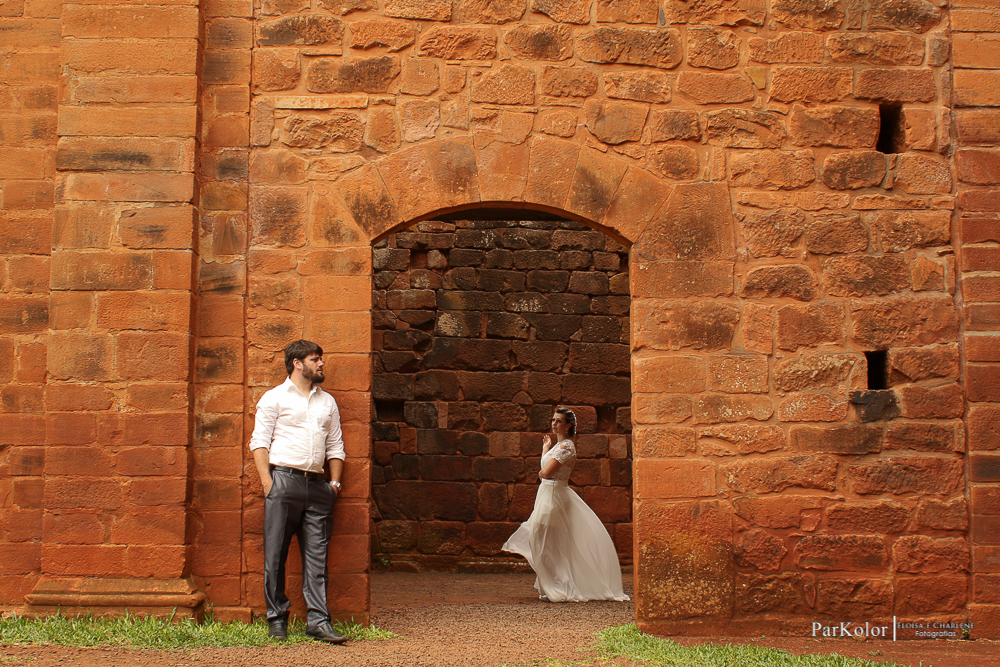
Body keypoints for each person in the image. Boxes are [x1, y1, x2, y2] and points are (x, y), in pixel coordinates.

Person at [249, 339, 347, 644]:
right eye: (315, 359)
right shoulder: (274, 398)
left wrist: (334, 485)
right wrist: (269, 484)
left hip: (319, 487)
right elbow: (259, 442)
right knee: (275, 554)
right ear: (297, 363)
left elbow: (336, 446)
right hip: (283, 482)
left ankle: (318, 621)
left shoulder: (327, 401)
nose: (321, 364)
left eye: (321, 359)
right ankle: (277, 619)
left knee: (317, 557)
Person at [502, 407, 630, 602]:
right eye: (553, 420)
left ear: (568, 425)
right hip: (547, 494)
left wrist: (542, 472)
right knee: (545, 539)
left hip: (554, 495)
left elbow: (546, 473)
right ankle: (556, 584)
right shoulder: (557, 446)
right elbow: (546, 469)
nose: (554, 424)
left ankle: (561, 586)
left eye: (558, 421)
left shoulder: (567, 447)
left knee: (545, 539)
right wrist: (545, 450)